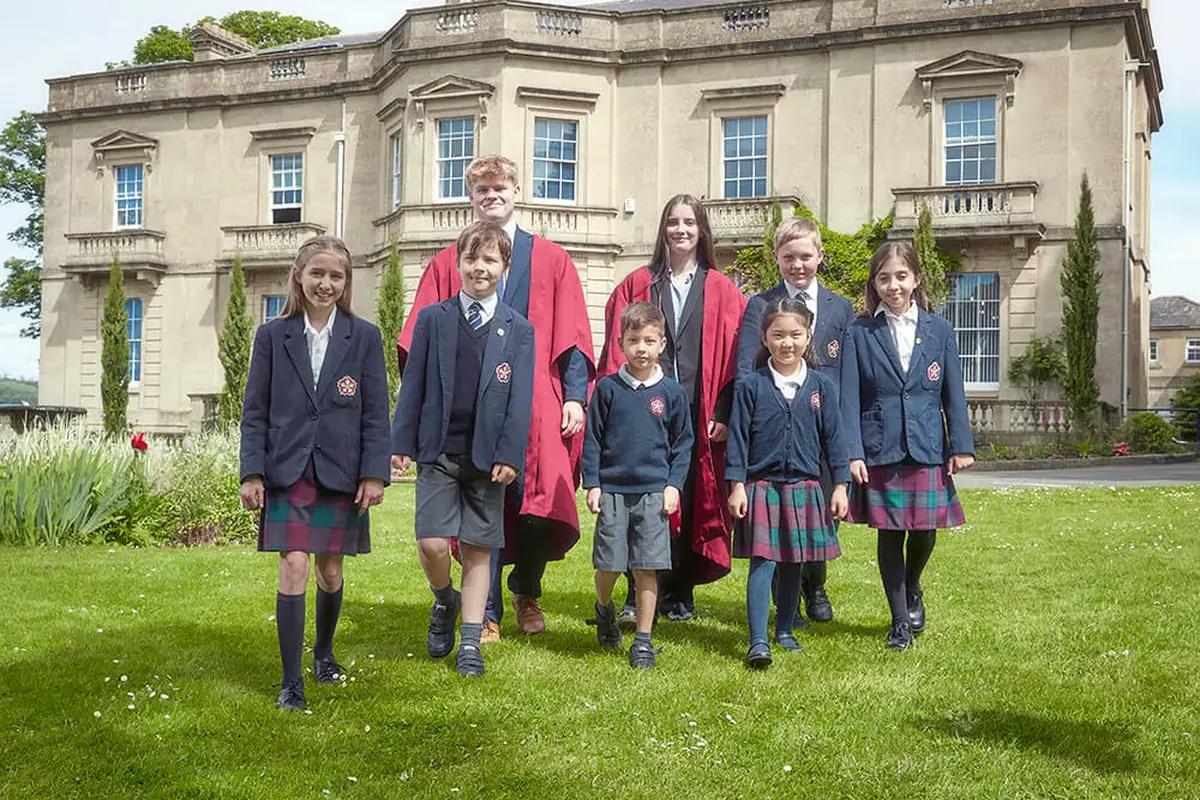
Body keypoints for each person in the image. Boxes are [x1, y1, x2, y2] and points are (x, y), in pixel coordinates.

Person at [397, 155, 594, 642]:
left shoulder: (551, 258)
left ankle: (526, 588)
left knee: (535, 501)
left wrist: (574, 397)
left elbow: (571, 335)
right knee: (480, 505)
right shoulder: (449, 260)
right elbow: (418, 343)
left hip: (535, 403)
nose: (491, 195)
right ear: (471, 196)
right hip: (467, 408)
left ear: (516, 190)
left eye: (499, 186)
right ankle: (483, 610)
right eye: (481, 189)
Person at [239, 235, 390, 711]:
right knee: (295, 564)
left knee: (329, 569)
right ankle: (291, 682)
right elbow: (255, 411)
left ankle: (323, 653)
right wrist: (252, 473)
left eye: (336, 276)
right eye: (317, 273)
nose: (326, 283)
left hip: (341, 472)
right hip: (287, 470)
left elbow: (374, 413)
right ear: (299, 277)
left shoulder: (364, 337)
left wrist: (373, 474)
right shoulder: (271, 336)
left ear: (346, 283)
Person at [391, 222, 535, 677]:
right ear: (458, 264)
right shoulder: (434, 320)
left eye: (490, 260)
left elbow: (520, 401)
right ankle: (443, 599)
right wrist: (401, 443)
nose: (480, 268)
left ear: (504, 267)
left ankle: (470, 642)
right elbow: (412, 385)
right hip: (438, 451)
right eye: (472, 259)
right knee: (432, 543)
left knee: (478, 548)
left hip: (488, 459)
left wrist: (511, 456)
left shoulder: (518, 330)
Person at [598, 194, 746, 621]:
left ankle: (679, 591)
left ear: (702, 230)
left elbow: (737, 356)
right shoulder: (638, 284)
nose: (680, 230)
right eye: (672, 222)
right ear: (663, 229)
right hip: (642, 410)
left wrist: (724, 409)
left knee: (691, 495)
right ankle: (634, 592)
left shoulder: (721, 288)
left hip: (699, 411)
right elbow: (614, 347)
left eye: (689, 222)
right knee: (636, 496)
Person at [840, 241, 975, 651]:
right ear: (874, 283)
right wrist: (853, 452)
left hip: (927, 444)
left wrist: (961, 445)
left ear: (916, 279)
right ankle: (899, 620)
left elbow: (953, 392)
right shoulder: (858, 332)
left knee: (925, 533)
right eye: (884, 278)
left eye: (901, 276)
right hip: (879, 446)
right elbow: (848, 398)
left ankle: (912, 585)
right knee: (889, 535)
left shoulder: (940, 330)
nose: (893, 286)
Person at [736, 216, 855, 625]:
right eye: (789, 257)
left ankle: (815, 585)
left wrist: (848, 443)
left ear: (820, 256)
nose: (798, 265)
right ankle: (783, 607)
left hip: (822, 424)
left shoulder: (841, 308)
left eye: (806, 256)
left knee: (818, 513)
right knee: (778, 522)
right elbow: (745, 367)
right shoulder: (760, 305)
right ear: (777, 259)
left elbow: (850, 376)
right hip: (775, 423)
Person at [727, 297, 849, 667]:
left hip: (805, 486)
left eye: (795, 335)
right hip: (762, 486)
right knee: (763, 562)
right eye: (778, 335)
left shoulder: (821, 387)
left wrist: (841, 485)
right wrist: (736, 485)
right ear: (764, 338)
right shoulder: (750, 385)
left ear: (808, 336)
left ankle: (785, 630)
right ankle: (758, 640)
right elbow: (738, 440)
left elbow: (835, 439)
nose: (787, 343)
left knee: (794, 562)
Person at [582, 302, 694, 669]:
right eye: (634, 341)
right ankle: (604, 608)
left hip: (653, 493)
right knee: (610, 566)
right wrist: (593, 483)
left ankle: (643, 640)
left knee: (647, 567)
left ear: (662, 344)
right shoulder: (607, 389)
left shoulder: (672, 393)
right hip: (613, 490)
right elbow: (592, 440)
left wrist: (673, 485)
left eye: (649, 340)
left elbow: (683, 444)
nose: (641, 348)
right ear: (620, 344)